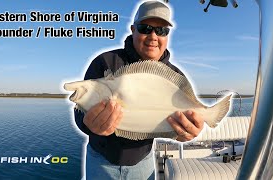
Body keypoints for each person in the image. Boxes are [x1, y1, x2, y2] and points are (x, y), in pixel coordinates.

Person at [74, 1, 204, 179]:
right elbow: (79, 112)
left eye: (161, 31)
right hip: (100, 162)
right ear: (133, 29)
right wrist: (88, 124)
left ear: (167, 36)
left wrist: (185, 134)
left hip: (143, 164)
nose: (153, 36)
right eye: (145, 28)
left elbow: (182, 124)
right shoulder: (104, 62)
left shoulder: (175, 77)